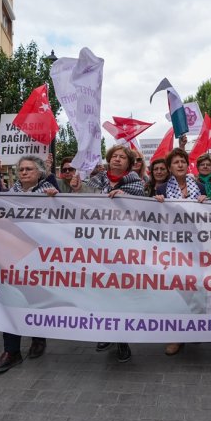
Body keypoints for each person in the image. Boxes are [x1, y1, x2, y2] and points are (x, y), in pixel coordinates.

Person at [70, 145, 145, 362]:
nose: (117, 159)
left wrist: (127, 200)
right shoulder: (95, 181)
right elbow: (82, 204)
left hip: (123, 248)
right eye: (114, 156)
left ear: (129, 164)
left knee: (121, 291)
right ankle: (105, 333)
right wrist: (77, 189)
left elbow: (142, 212)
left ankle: (123, 340)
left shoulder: (136, 185)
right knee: (101, 289)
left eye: (122, 157)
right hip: (97, 245)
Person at [0, 156, 58, 373]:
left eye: (29, 169)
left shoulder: (50, 192)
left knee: (36, 298)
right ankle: (11, 351)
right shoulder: (9, 195)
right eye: (21, 169)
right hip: (12, 255)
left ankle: (38, 338)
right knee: (10, 299)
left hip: (39, 257)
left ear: (39, 172)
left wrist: (56, 199)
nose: (24, 173)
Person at [154, 148, 207, 356]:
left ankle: (192, 328)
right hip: (172, 246)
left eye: (183, 162)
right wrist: (156, 204)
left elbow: (209, 213)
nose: (180, 165)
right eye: (175, 162)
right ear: (169, 168)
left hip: (196, 243)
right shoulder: (163, 188)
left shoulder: (200, 185)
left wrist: (205, 201)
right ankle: (175, 334)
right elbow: (154, 217)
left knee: (195, 286)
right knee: (177, 288)